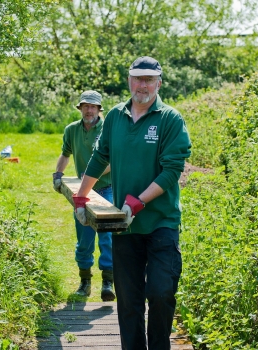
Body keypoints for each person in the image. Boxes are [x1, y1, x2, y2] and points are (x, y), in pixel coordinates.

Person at [73, 57, 192, 349]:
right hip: (125, 226)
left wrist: (137, 203)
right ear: (129, 81)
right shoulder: (114, 117)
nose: (143, 85)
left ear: (159, 83)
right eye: (138, 78)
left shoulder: (170, 119)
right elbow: (100, 157)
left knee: (161, 292)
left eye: (149, 79)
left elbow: (171, 171)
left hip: (161, 222)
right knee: (128, 302)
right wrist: (81, 197)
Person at [53, 90, 115, 302]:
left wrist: (92, 176)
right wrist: (58, 174)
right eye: (85, 106)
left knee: (107, 236)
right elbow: (65, 153)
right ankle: (84, 282)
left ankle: (108, 282)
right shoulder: (71, 130)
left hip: (107, 189)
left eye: (93, 106)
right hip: (82, 192)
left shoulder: (109, 128)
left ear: (99, 109)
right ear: (80, 108)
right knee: (84, 236)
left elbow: (114, 160)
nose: (89, 110)